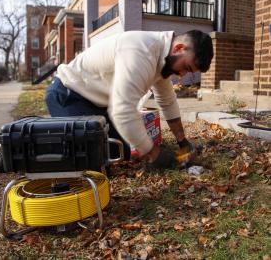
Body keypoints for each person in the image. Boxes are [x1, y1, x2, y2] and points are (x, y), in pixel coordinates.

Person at [46, 30, 213, 168]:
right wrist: (154, 154)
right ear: (178, 48)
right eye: (186, 67)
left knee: (121, 153)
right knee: (94, 164)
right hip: (68, 94)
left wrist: (182, 141)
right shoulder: (141, 51)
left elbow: (167, 101)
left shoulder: (163, 60)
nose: (182, 74)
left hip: (96, 104)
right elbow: (123, 110)